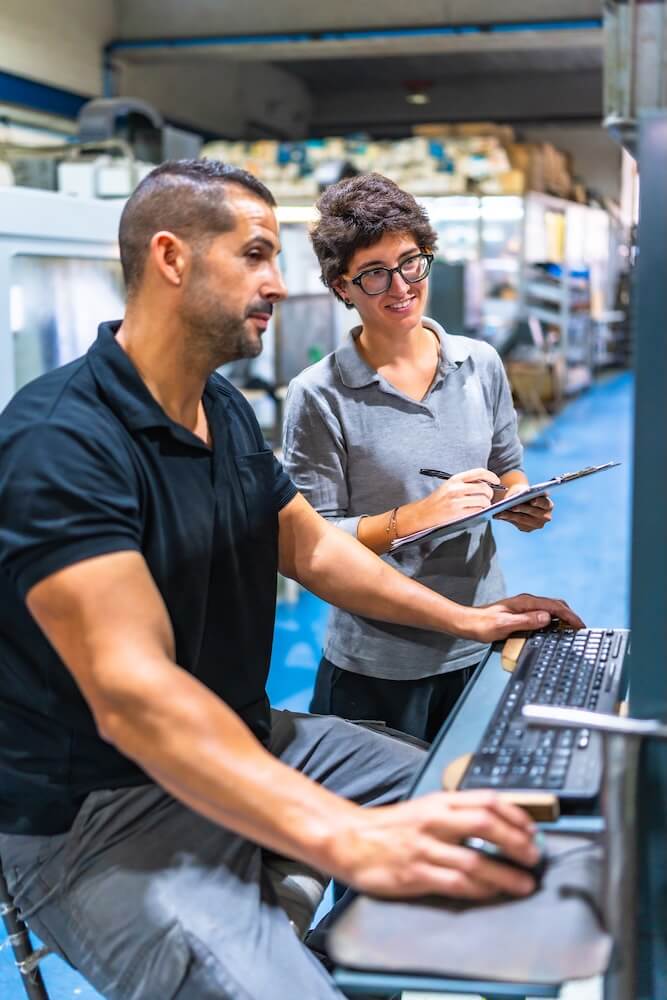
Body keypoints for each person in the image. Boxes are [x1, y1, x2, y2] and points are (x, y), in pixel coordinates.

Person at [0, 160, 582, 1000]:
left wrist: (471, 622)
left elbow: (311, 550)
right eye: (257, 254)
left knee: (492, 798)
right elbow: (133, 696)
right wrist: (343, 838)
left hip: (251, 739)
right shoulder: (61, 445)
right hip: (101, 812)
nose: (277, 283)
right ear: (172, 258)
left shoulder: (223, 411)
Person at [283, 172, 555, 743]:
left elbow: (508, 462)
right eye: (374, 273)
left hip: (481, 638)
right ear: (342, 287)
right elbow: (313, 540)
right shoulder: (320, 394)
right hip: (378, 665)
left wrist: (516, 498)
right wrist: (417, 517)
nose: (400, 285)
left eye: (411, 262)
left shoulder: (479, 364)